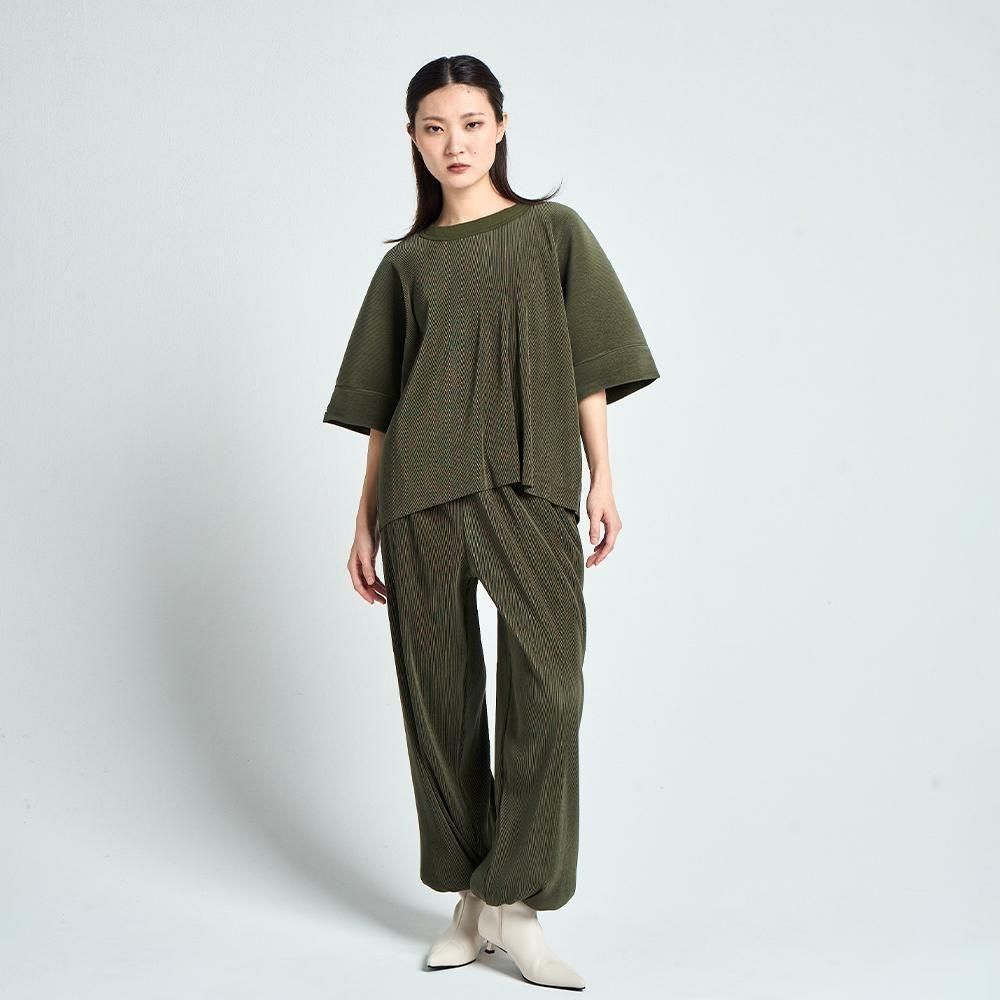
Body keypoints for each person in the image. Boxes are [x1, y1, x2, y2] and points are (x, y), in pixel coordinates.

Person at [322, 54, 660, 991]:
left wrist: (603, 475)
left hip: (529, 481)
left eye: (471, 123)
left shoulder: (553, 232)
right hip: (420, 494)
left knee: (550, 692)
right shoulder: (407, 265)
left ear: (501, 126)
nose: (455, 144)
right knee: (439, 701)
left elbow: (589, 364)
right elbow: (383, 406)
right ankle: (471, 900)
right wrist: (363, 518)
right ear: (412, 139)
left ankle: (516, 902)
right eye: (435, 128)